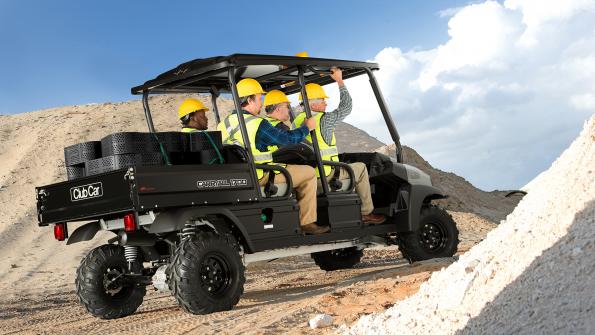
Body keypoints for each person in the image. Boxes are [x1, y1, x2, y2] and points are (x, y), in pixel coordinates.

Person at [218, 78, 328, 234]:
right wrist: (306, 128)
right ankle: (307, 223)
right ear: (249, 100)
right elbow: (287, 140)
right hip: (261, 175)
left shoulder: (224, 123)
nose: (261, 103)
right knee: (309, 173)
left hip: (240, 175)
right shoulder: (257, 124)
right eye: (259, 99)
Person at [293, 68, 386, 225]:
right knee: (361, 168)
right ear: (313, 104)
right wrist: (340, 81)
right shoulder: (324, 120)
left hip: (309, 176)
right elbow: (346, 107)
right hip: (326, 175)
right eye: (322, 100)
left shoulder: (296, 120)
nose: (325, 103)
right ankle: (366, 212)